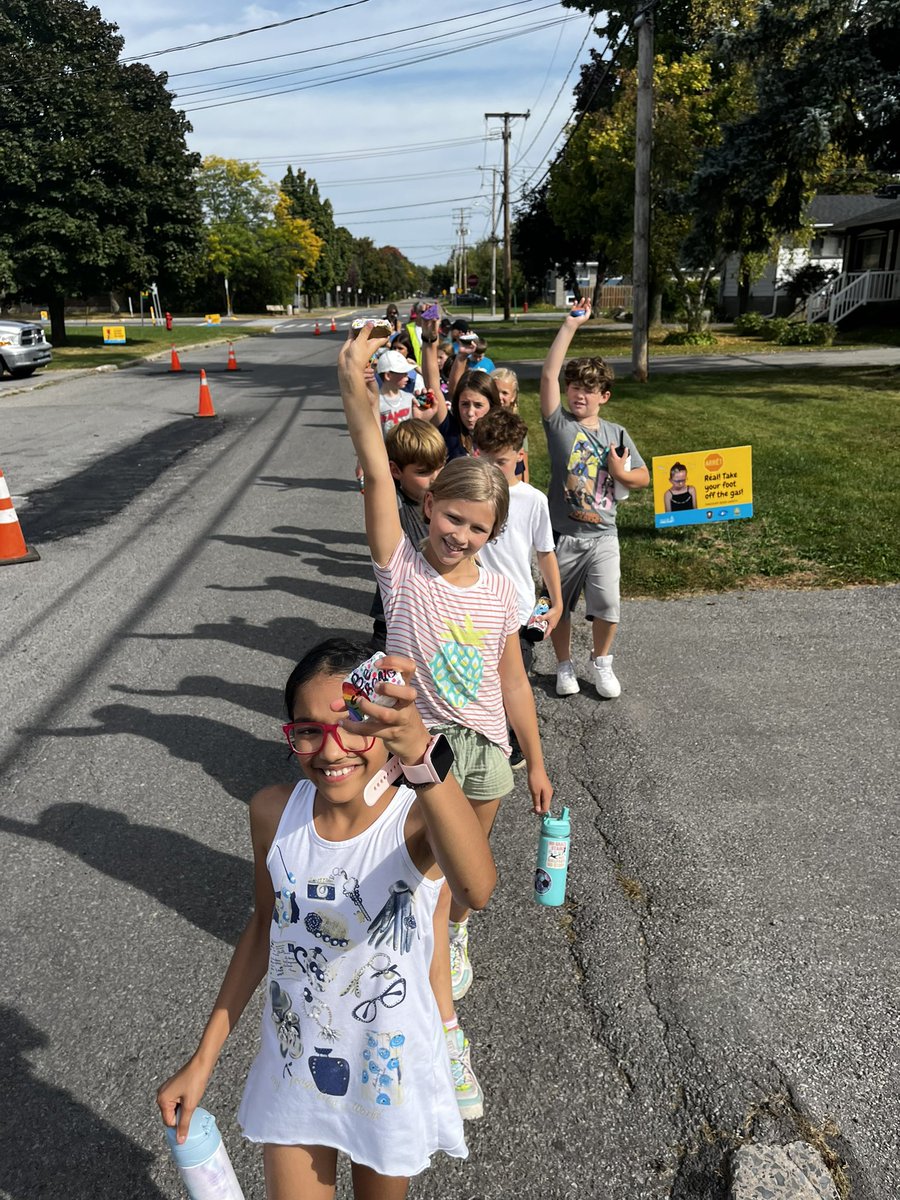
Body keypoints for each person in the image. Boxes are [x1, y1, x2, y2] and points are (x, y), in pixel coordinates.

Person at [157, 639, 496, 1200]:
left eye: (352, 726)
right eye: (308, 730)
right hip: (293, 1064)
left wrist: (418, 752)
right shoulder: (273, 812)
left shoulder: (416, 819)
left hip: (385, 1073)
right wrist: (202, 1060)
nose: (331, 749)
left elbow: (477, 888)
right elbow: (264, 927)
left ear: (383, 725)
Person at [339, 328, 553, 1122]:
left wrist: (532, 759)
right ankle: (439, 1022)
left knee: (459, 888)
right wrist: (353, 383)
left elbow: (512, 684)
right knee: (410, 883)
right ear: (427, 503)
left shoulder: (501, 595)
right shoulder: (398, 566)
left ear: (493, 537)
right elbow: (372, 466)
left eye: (478, 530)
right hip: (408, 751)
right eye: (453, 518)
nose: (461, 536)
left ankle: (449, 940)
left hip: (485, 756)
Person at [540, 299, 650, 699]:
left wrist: (621, 473)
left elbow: (643, 476)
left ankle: (601, 662)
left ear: (605, 395)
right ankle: (564, 666)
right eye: (574, 387)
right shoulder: (559, 426)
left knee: (608, 604)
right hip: (562, 537)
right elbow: (549, 373)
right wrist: (570, 326)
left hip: (604, 536)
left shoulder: (616, 433)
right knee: (557, 605)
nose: (579, 394)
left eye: (589, 389)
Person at [472, 407, 564, 765]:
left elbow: (545, 554)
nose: (494, 470)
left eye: (503, 462)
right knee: (481, 678)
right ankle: (486, 732)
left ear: (520, 457)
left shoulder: (533, 500)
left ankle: (515, 738)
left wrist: (555, 602)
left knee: (515, 680)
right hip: (476, 608)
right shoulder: (472, 496)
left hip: (520, 611)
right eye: (486, 461)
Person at [369, 420, 447, 652]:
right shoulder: (394, 504)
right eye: (423, 472)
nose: (436, 477)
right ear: (395, 470)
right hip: (394, 622)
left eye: (441, 466)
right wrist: (371, 403)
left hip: (436, 617)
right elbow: (374, 467)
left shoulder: (444, 498)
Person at [418, 318, 501, 459]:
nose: (470, 413)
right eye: (464, 404)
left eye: (478, 405)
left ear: (492, 405)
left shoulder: (502, 435)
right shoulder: (451, 430)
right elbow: (433, 386)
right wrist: (429, 340)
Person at [491, 368, 529, 482]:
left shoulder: (517, 426)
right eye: (496, 391)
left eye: (504, 393)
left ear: (513, 397)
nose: (499, 397)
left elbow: (523, 465)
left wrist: (525, 489)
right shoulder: (482, 422)